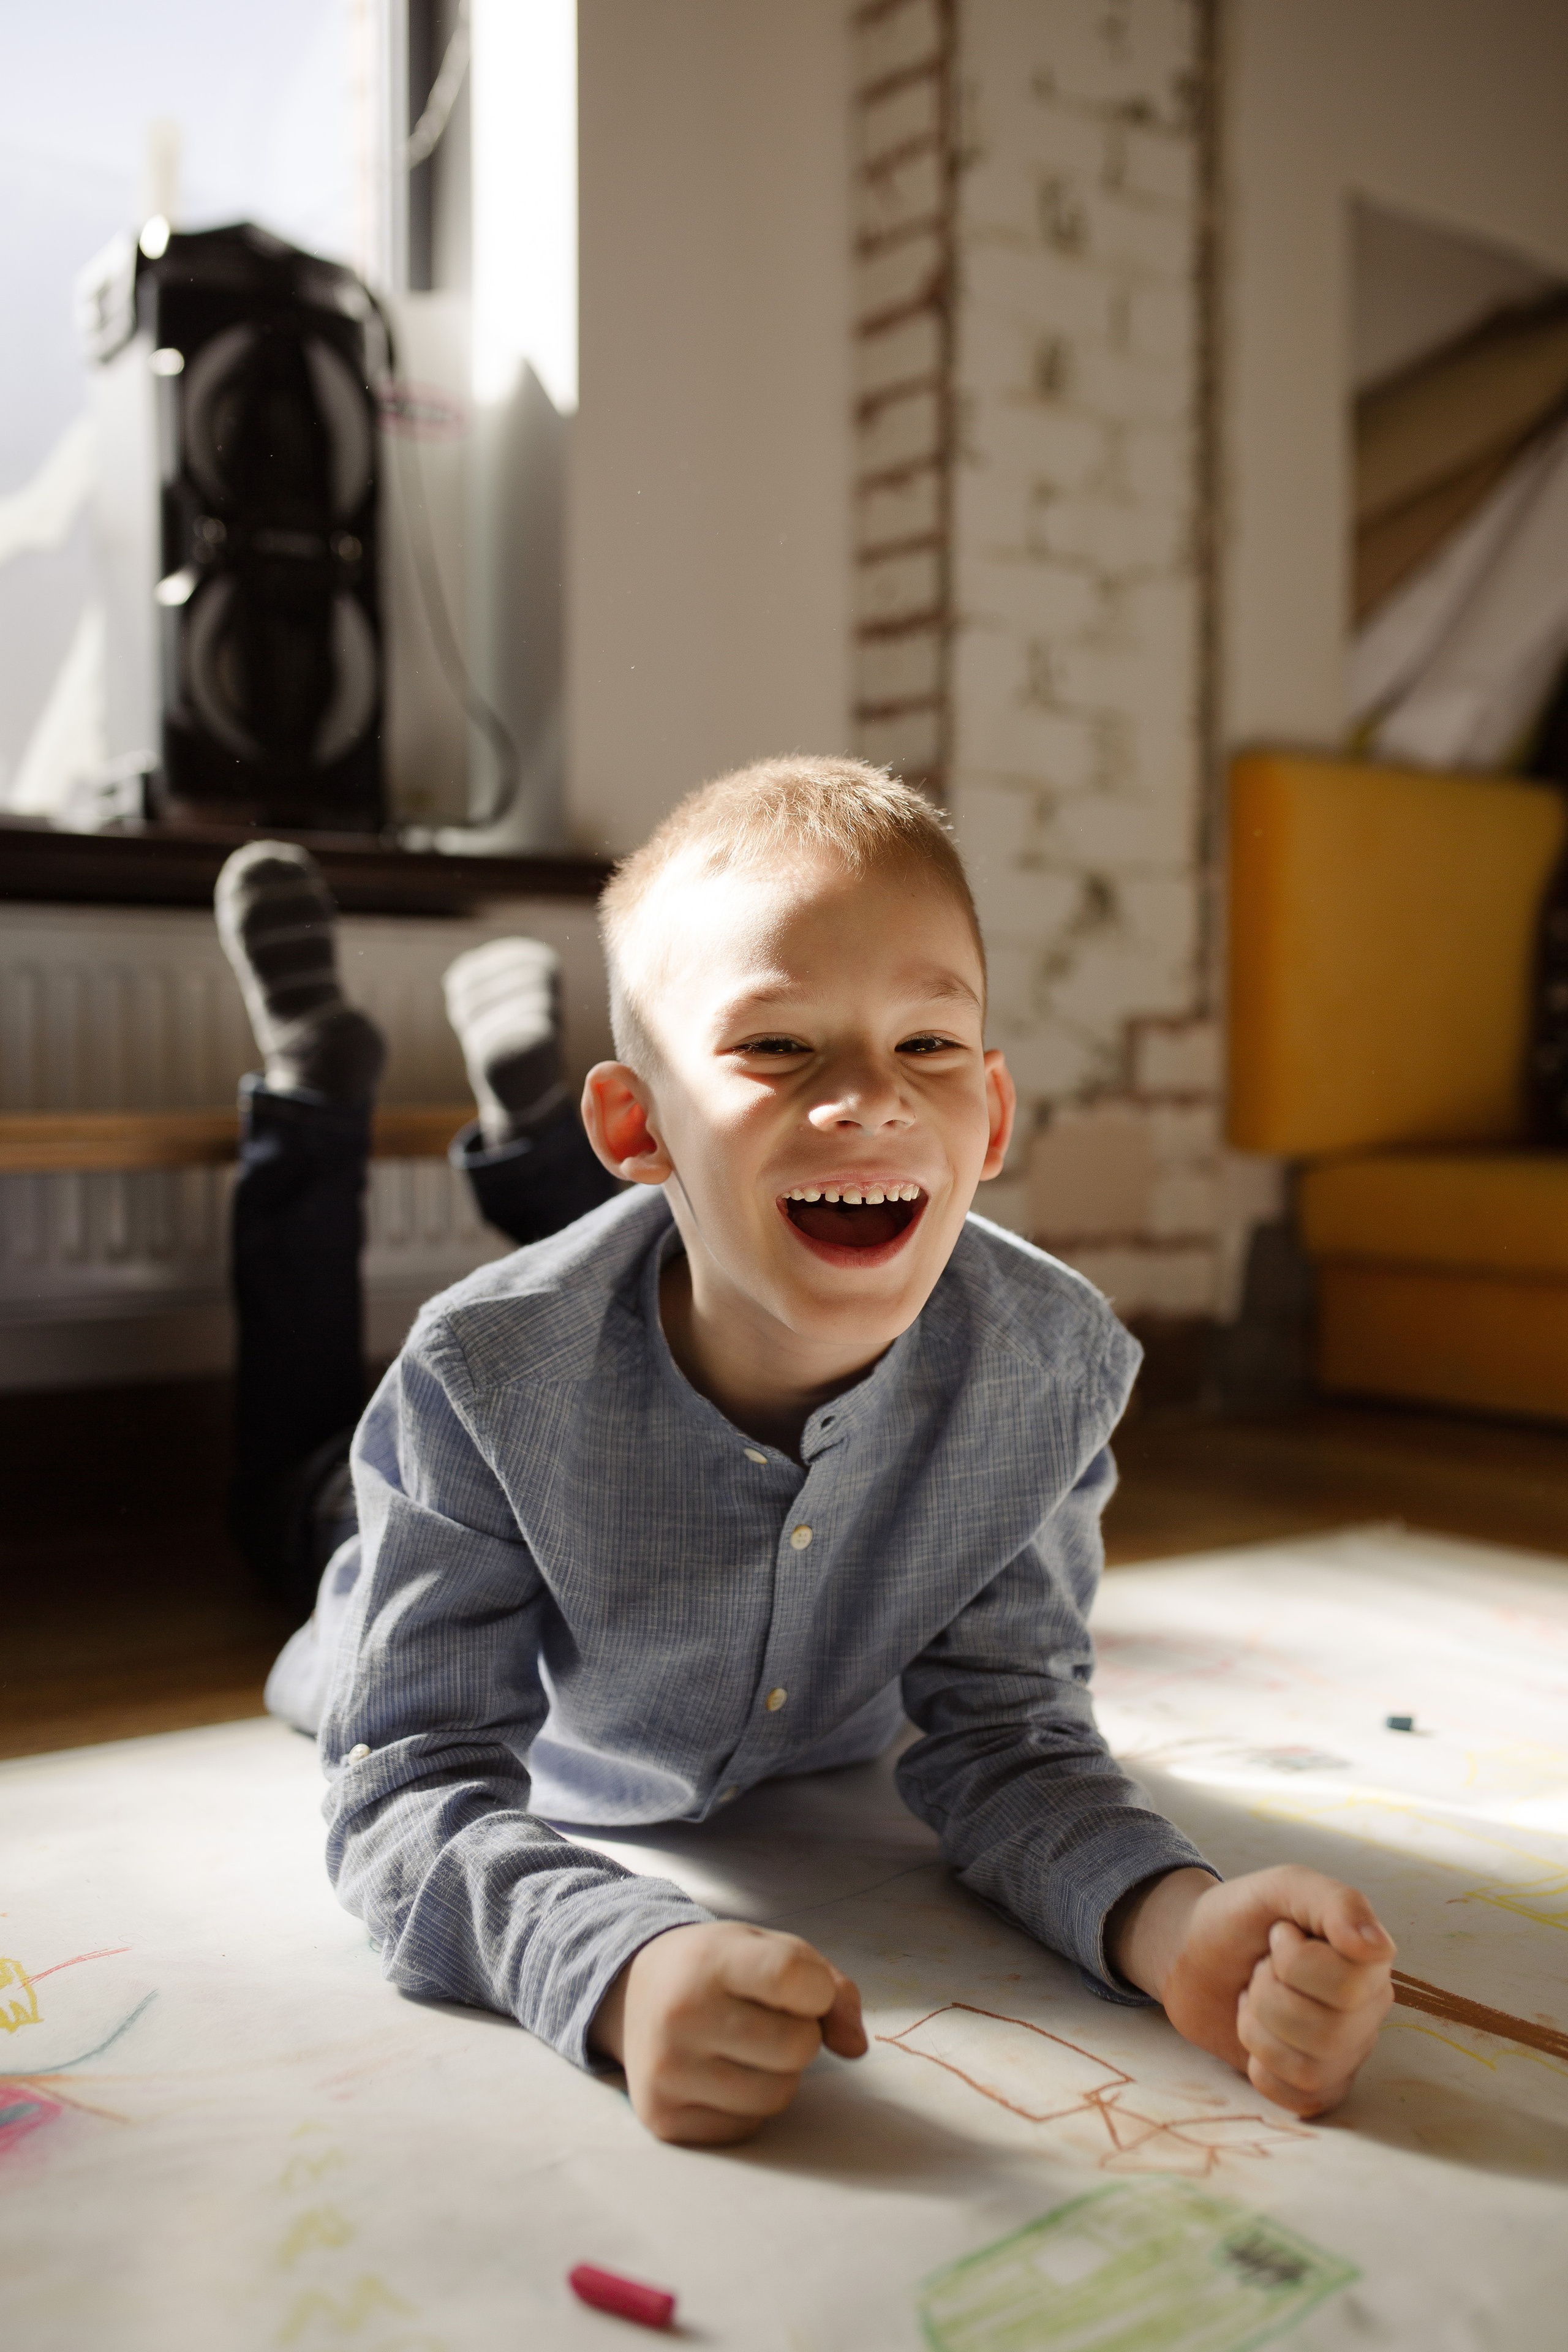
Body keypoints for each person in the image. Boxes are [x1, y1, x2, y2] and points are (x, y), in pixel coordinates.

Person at [234, 758, 1396, 2150]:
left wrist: (1174, 1925)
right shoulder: (475, 1382)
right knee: (283, 1481)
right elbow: (412, 1782)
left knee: (731, 1219)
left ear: (994, 1113)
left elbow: (1011, 1737)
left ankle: (524, 1127)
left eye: (927, 1047)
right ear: (636, 1121)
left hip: (661, 1260)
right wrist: (617, 1961)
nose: (870, 1097)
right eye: (779, 1046)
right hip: (389, 1542)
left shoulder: (1046, 1367)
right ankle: (314, 1084)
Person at [214, 836, 619, 1632]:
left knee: (618, 1330)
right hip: (412, 1513)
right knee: (290, 1489)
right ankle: (320, 1095)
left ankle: (533, 1144)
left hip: (488, 1497)